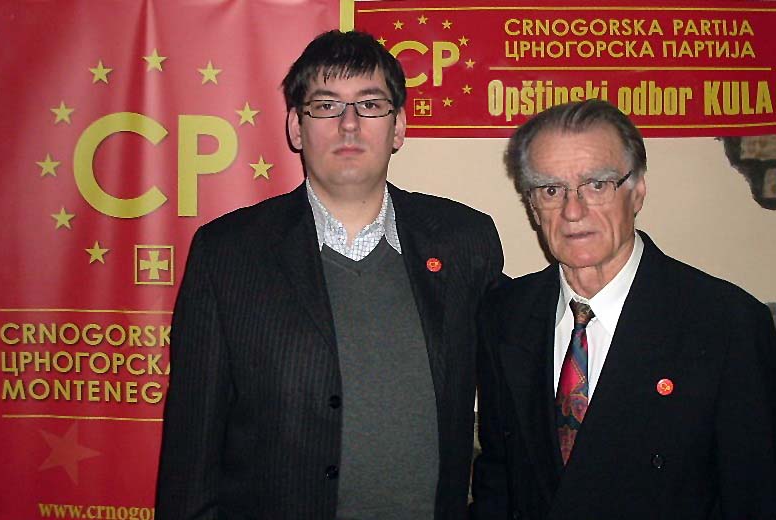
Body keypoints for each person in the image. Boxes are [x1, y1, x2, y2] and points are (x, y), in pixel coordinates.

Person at [155, 30, 503, 520]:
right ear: (296, 128)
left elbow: (509, 413)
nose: (349, 124)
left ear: (399, 127)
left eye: (370, 105)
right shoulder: (226, 254)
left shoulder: (466, 242)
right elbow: (190, 457)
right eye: (325, 106)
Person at [470, 99, 776, 519]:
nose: (572, 211)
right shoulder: (504, 315)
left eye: (597, 184)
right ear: (533, 206)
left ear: (638, 192)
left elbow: (756, 497)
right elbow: (498, 480)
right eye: (551, 190)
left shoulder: (726, 325)